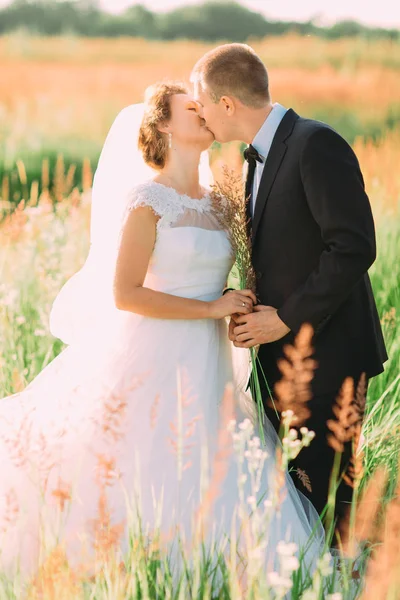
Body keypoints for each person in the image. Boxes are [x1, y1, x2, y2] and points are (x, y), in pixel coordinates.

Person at [0, 82, 324, 582]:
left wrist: (242, 305)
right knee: (141, 457)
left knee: (211, 457)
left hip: (210, 356)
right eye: (191, 109)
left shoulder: (222, 201)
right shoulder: (146, 200)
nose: (204, 113)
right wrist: (211, 307)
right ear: (165, 126)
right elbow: (126, 294)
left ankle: (215, 567)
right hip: (151, 351)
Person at [192, 43, 388, 527]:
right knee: (294, 504)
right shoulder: (254, 159)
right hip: (277, 360)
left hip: (329, 358)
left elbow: (353, 246)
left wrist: (284, 318)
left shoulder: (314, 143)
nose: (200, 116)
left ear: (227, 104)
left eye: (201, 103)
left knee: (330, 503)